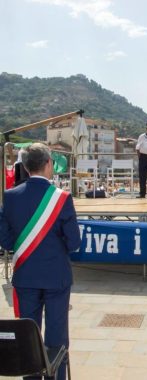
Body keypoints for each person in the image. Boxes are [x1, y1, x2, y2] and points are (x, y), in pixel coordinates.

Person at [0, 143, 81, 380]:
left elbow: (5, 240)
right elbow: (74, 242)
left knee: (28, 339)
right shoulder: (62, 198)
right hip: (57, 276)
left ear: (24, 166)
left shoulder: (10, 196)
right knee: (57, 338)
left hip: (26, 276)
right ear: (48, 164)